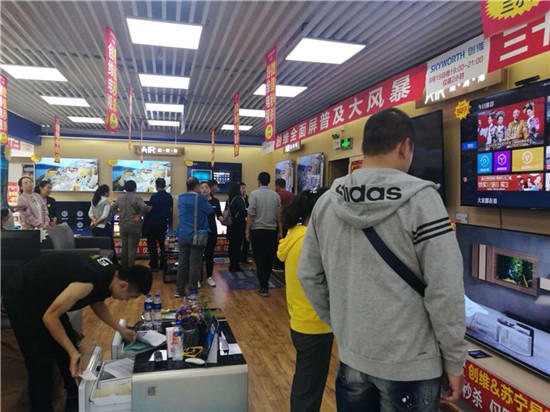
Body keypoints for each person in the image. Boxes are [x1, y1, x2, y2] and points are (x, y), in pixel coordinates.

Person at [298, 108, 467, 411]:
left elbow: (308, 275)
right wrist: (455, 360)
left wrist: (341, 324)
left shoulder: (326, 203)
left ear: (365, 147)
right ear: (405, 146)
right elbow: (445, 288)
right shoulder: (423, 201)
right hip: (411, 364)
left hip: (353, 356)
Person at [3, 253, 152, 412]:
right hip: (23, 295)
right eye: (130, 297)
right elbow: (50, 318)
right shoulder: (86, 283)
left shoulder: (110, 274)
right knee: (40, 360)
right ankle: (41, 408)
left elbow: (97, 303)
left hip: (48, 295)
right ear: (123, 285)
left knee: (68, 348)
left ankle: (74, 399)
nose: (126, 300)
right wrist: (73, 352)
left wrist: (120, 329)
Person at [278, 188, 333, 412]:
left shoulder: (295, 236)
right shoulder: (310, 242)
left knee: (306, 383)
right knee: (309, 388)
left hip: (301, 321)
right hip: (315, 323)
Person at [175, 177, 212, 299]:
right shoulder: (200, 198)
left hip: (182, 234)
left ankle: (179, 291)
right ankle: (192, 292)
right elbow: (209, 210)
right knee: (195, 265)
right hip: (196, 236)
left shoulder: (181, 198)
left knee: (182, 264)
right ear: (196, 186)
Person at [246, 172, 282, 297]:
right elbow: (279, 215)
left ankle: (263, 286)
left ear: (259, 181)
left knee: (259, 258)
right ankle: (265, 282)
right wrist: (280, 231)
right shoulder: (275, 195)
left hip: (258, 230)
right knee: (269, 258)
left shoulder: (254, 194)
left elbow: (251, 214)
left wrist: (247, 231)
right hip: (272, 231)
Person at [112, 180, 149, 268]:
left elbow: (113, 208)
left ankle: (123, 269)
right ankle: (130, 270)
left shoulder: (120, 197)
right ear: (135, 188)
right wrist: (139, 215)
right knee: (132, 249)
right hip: (133, 225)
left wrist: (119, 214)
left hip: (122, 225)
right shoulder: (136, 197)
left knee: (124, 248)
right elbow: (144, 207)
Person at [143, 178, 173, 272]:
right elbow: (170, 210)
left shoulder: (154, 197)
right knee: (162, 245)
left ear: (156, 186)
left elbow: (149, 209)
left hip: (153, 224)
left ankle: (154, 265)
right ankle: (163, 265)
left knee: (152, 245)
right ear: (165, 186)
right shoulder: (169, 197)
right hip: (163, 223)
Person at [200, 180, 223, 287]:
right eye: (202, 188)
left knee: (210, 255)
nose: (204, 189)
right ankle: (197, 278)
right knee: (198, 255)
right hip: (200, 231)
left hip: (212, 231)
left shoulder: (215, 201)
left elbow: (219, 215)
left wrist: (223, 219)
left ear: (210, 189)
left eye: (206, 187)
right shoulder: (198, 201)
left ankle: (209, 277)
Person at [89, 184, 117, 263]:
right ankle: (112, 264)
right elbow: (105, 215)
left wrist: (94, 221)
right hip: (104, 228)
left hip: (94, 228)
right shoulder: (106, 201)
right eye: (108, 192)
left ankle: (98, 263)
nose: (109, 193)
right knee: (109, 246)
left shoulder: (94, 200)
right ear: (105, 193)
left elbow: (90, 213)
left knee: (97, 247)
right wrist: (97, 222)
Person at [226, 182, 248, 272]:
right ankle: (236, 266)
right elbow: (244, 212)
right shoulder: (239, 199)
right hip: (239, 226)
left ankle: (231, 264)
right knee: (237, 246)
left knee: (231, 246)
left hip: (230, 225)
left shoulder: (228, 199)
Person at [240, 182, 251, 265]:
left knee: (247, 241)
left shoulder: (248, 199)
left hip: (247, 224)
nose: (244, 190)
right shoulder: (237, 200)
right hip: (240, 224)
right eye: (242, 188)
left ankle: (244, 258)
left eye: (244, 188)